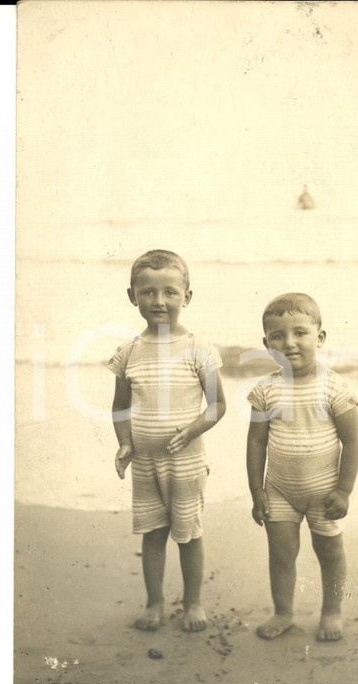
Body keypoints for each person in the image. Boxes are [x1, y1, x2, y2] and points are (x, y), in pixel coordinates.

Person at [108, 250, 226, 633]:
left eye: (170, 293)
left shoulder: (198, 349)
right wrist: (124, 443)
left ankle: (192, 603)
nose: (159, 301)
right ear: (133, 296)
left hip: (185, 461)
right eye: (149, 293)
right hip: (144, 461)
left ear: (186, 297)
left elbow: (217, 405)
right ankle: (155, 602)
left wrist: (191, 431)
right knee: (153, 532)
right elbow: (120, 407)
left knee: (188, 534)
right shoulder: (128, 353)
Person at [246, 293, 358, 641]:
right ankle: (283, 612)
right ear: (267, 344)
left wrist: (343, 490)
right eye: (278, 336)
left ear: (320, 338)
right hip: (279, 488)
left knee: (329, 551)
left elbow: (352, 442)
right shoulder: (266, 391)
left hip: (324, 493)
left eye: (300, 333)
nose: (290, 343)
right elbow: (256, 442)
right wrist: (257, 490)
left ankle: (331, 611)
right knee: (281, 553)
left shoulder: (334, 388)